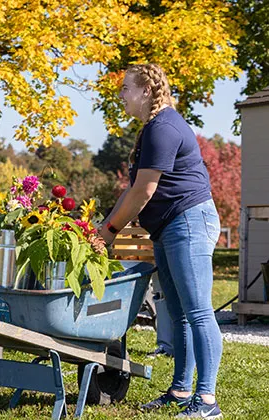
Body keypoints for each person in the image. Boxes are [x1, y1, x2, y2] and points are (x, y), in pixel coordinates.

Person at [100, 64, 223, 419]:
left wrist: (110, 233)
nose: (120, 94)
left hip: (189, 222)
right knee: (178, 312)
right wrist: (105, 224)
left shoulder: (163, 128)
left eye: (125, 88)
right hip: (170, 225)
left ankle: (207, 401)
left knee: (198, 311)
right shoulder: (153, 129)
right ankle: (181, 390)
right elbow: (133, 189)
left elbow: (144, 190)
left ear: (145, 91)